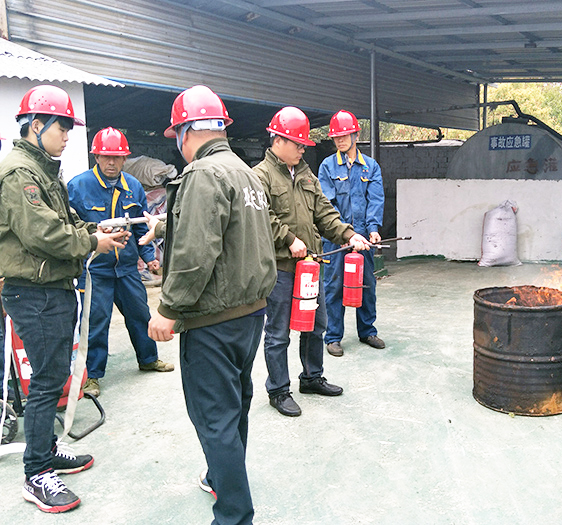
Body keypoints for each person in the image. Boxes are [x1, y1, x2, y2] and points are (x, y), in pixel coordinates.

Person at [147, 85, 277, 525]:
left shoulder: (203, 175)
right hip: (250, 313)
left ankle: (234, 516)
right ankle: (221, 476)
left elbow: (194, 253)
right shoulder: (245, 172)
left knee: (215, 417)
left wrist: (168, 309)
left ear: (185, 132)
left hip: (213, 320)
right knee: (235, 405)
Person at [0, 85, 128, 513]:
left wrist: (97, 234)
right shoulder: (20, 173)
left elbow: (66, 219)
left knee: (53, 377)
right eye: (62, 127)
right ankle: (37, 475)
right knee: (45, 384)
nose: (68, 136)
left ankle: (46, 449)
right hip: (32, 291)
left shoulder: (42, 169)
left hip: (50, 288)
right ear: (36, 126)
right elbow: (45, 234)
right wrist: (92, 241)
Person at [253, 106, 370, 418]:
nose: (303, 148)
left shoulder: (305, 173)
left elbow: (324, 211)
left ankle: (312, 377)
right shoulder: (259, 176)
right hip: (279, 269)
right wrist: (289, 239)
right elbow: (262, 216)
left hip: (310, 265)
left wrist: (348, 235)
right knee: (278, 333)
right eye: (298, 144)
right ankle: (278, 390)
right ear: (278, 140)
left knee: (315, 325)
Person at [67, 127, 174, 398]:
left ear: (125, 158)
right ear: (97, 157)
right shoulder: (79, 187)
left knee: (140, 315)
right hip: (95, 270)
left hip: (126, 268)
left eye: (117, 157)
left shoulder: (133, 187)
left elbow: (140, 227)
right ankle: (92, 376)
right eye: (106, 157)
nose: (111, 162)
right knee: (95, 321)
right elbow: (71, 228)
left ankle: (148, 359)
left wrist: (150, 258)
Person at [318, 110, 386, 357]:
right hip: (336, 238)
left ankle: (367, 331)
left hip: (364, 239)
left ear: (356, 134)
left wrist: (373, 229)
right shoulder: (327, 167)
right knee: (334, 285)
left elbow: (375, 199)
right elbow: (327, 205)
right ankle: (333, 337)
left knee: (367, 284)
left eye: (345, 135)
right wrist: (345, 234)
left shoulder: (370, 166)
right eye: (336, 136)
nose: (340, 140)